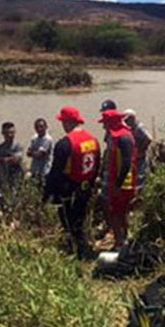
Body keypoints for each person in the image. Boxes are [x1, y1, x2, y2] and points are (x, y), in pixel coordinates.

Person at [44, 106, 100, 260]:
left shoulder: (64, 143)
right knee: (81, 218)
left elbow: (55, 172)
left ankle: (77, 251)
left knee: (69, 221)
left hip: (69, 189)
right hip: (86, 187)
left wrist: (47, 195)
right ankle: (83, 248)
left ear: (67, 122)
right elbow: (97, 166)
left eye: (63, 121)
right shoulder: (93, 140)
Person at [99, 109, 136, 248]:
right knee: (120, 213)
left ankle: (120, 242)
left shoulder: (123, 137)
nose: (104, 127)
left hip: (122, 183)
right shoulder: (119, 135)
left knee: (115, 213)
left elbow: (127, 163)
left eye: (106, 124)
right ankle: (124, 240)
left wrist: (117, 184)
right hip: (118, 181)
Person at [0, 122, 24, 210]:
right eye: (7, 133)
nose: (10, 135)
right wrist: (4, 160)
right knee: (1, 203)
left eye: (12, 133)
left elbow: (16, 160)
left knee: (15, 205)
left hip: (15, 181)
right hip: (2, 180)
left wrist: (1, 160)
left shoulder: (18, 147)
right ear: (3, 133)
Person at [123, 108, 153, 193]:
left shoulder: (139, 127)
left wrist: (141, 150)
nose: (125, 122)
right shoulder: (132, 128)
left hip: (142, 157)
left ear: (132, 118)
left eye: (127, 120)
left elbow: (149, 138)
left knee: (142, 176)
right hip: (137, 157)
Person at [26, 118, 53, 183]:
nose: (39, 129)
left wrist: (32, 152)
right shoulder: (34, 138)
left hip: (45, 171)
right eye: (37, 127)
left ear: (46, 127)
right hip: (34, 170)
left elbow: (40, 154)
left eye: (41, 127)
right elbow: (28, 153)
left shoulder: (47, 139)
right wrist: (33, 153)